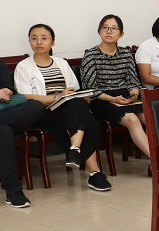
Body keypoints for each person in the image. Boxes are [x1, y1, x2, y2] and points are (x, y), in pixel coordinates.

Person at [15, 24, 111, 192]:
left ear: (52, 42)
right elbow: (26, 97)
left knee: (76, 104)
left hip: (68, 108)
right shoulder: (23, 66)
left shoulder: (62, 63)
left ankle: (75, 150)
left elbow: (74, 89)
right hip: (42, 111)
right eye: (34, 38)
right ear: (29, 41)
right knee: (86, 121)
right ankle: (94, 172)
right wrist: (57, 97)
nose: (39, 42)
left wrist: (83, 96)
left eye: (44, 38)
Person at [81, 15, 151, 158]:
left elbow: (133, 82)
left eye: (114, 28)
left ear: (121, 34)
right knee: (132, 119)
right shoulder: (91, 55)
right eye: (105, 28)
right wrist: (112, 99)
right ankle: (157, 162)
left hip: (125, 97)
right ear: (99, 32)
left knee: (150, 118)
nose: (109, 31)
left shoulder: (125, 53)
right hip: (101, 100)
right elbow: (90, 89)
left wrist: (134, 95)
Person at [0, 64, 45, 208]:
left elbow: (9, 88)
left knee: (36, 106)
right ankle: (13, 191)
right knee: (4, 131)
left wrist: (6, 91)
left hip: (5, 113)